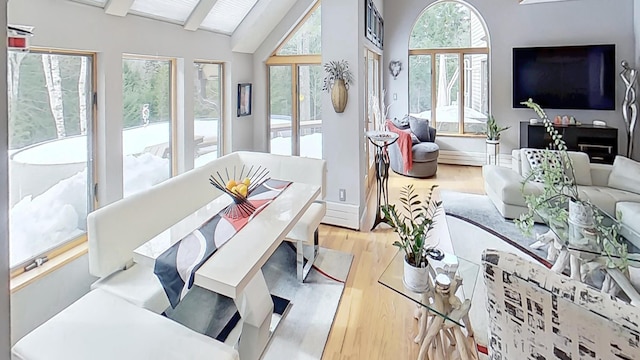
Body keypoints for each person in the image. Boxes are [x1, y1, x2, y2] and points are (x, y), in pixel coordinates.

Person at [620, 60, 638, 157]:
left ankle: (629, 156)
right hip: (627, 100)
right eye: (623, 65)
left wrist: (629, 86)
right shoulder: (623, 74)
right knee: (628, 126)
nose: (624, 66)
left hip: (632, 101)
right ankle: (628, 157)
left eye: (625, 64)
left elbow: (631, 85)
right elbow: (622, 76)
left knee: (631, 129)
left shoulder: (634, 72)